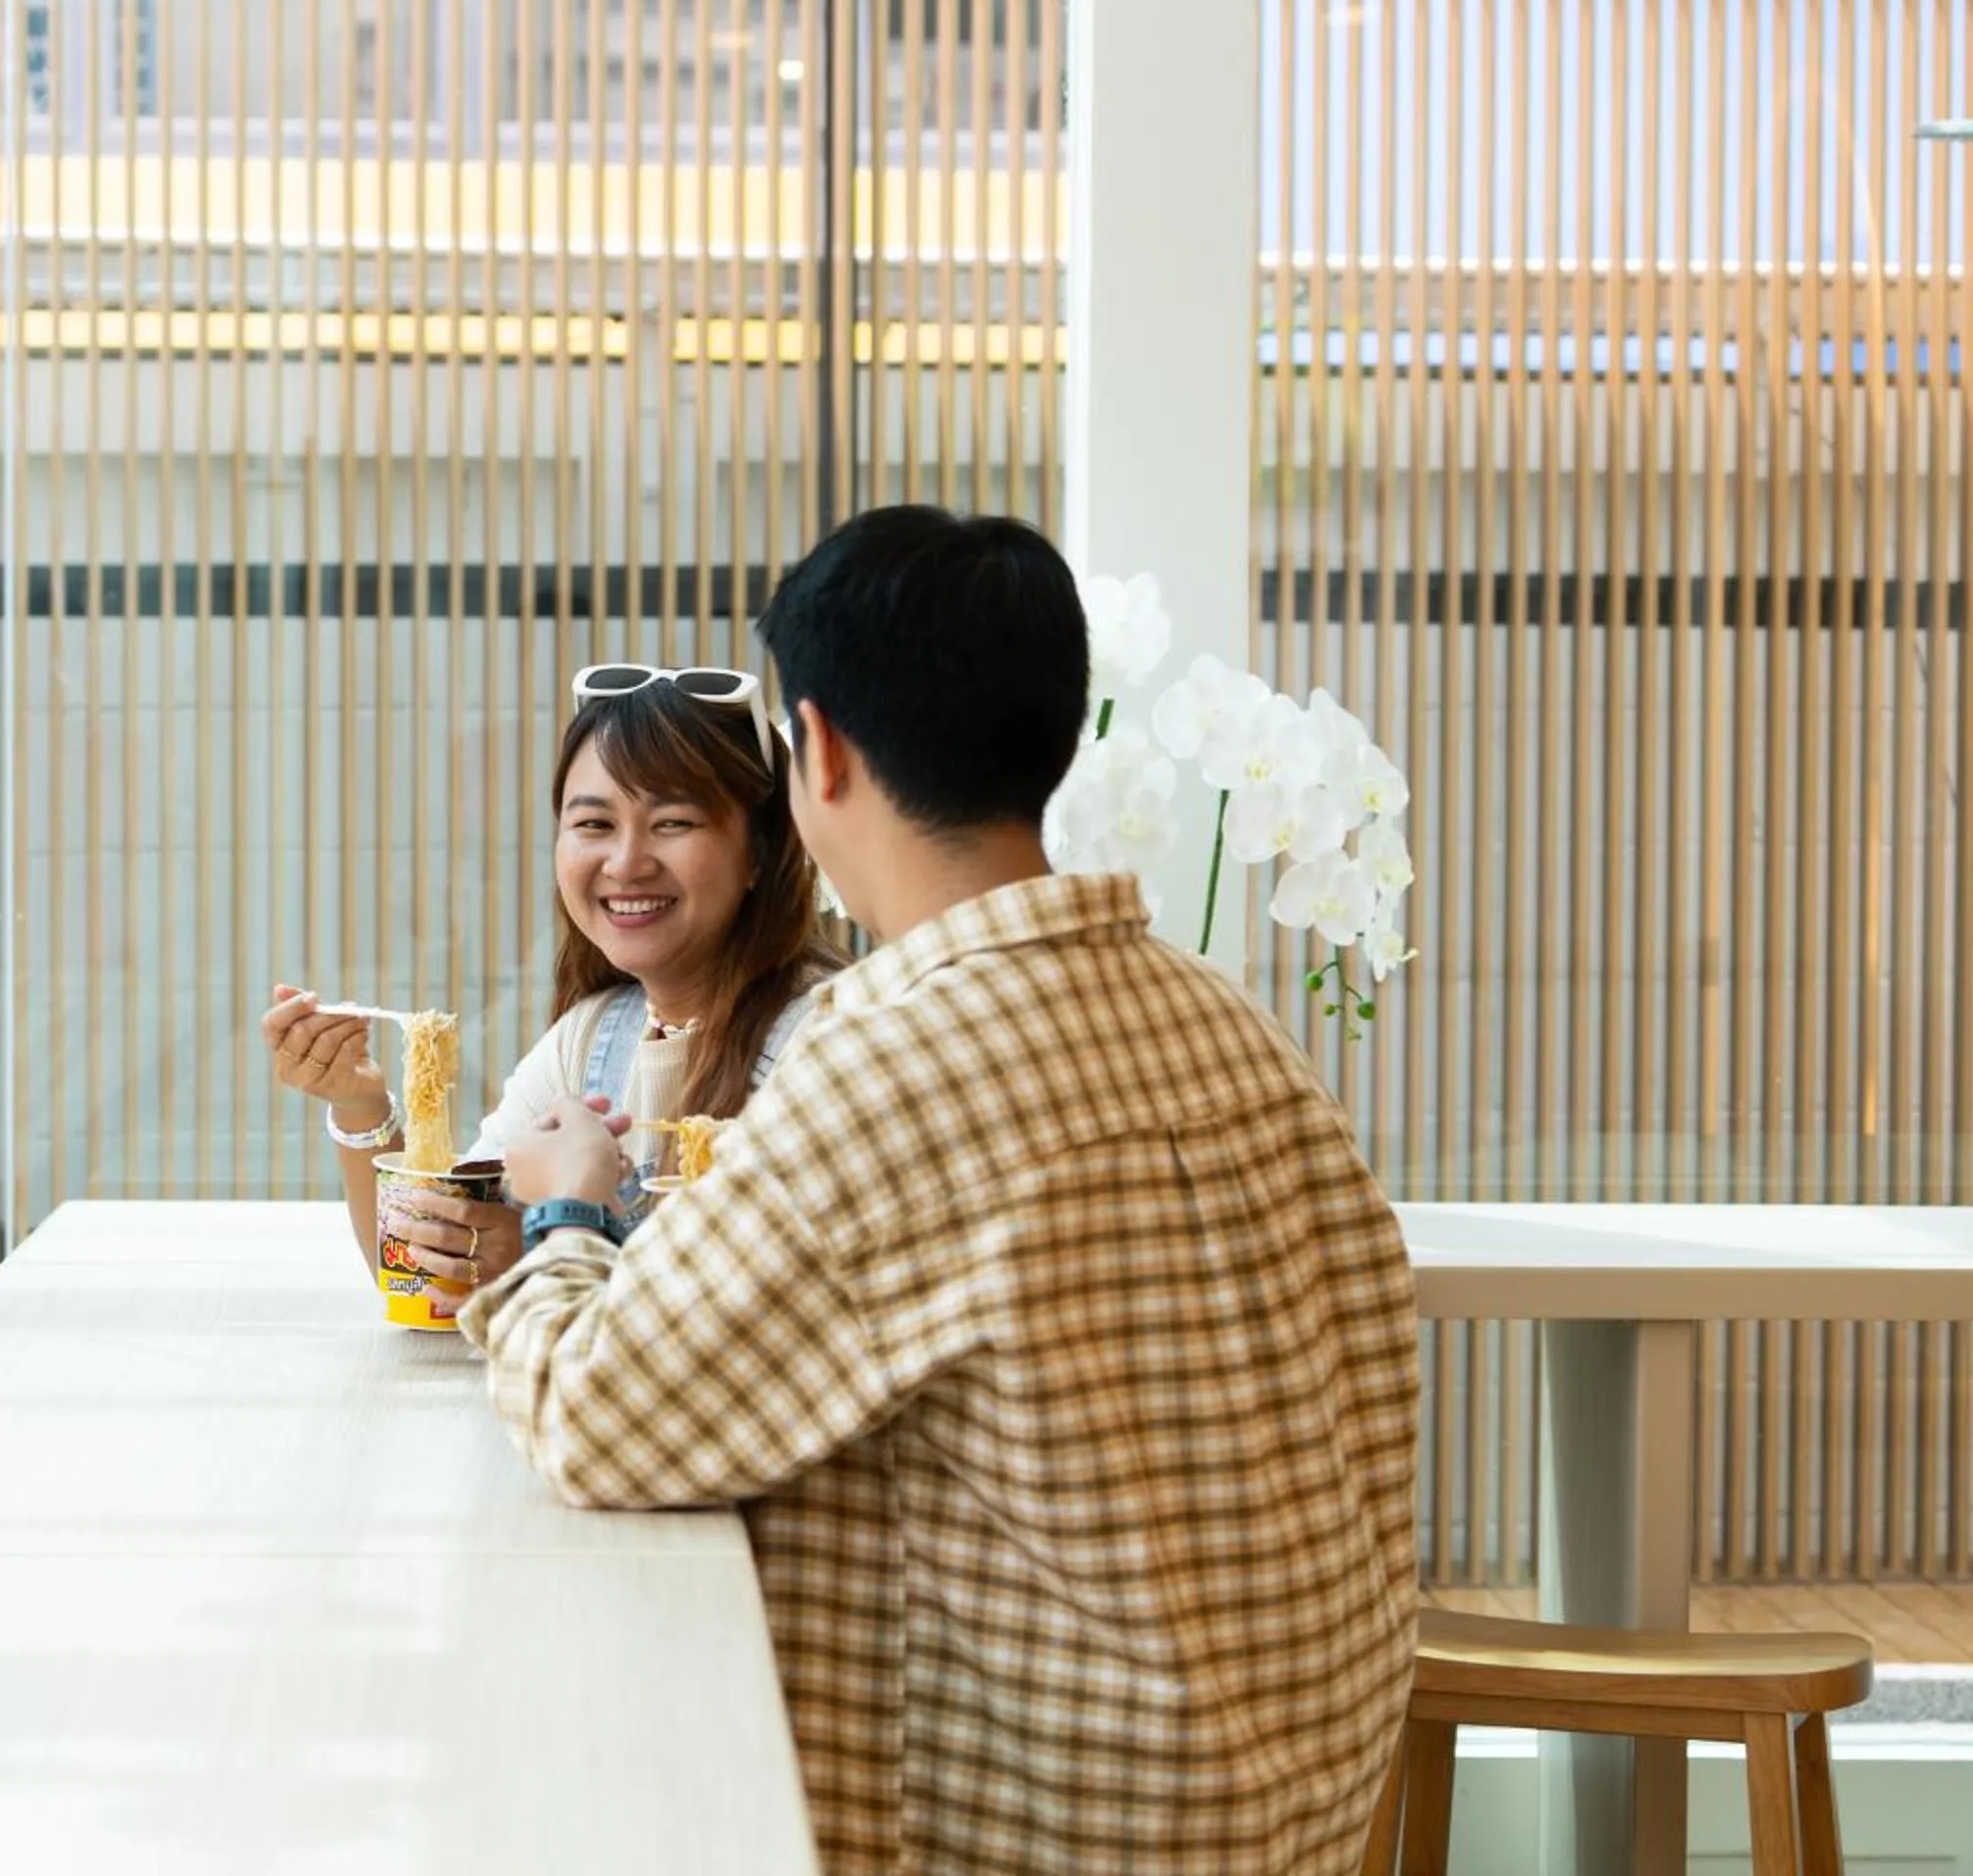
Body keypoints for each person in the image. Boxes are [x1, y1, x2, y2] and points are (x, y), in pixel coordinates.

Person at [475, 509, 1419, 1874]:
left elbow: (592, 1414)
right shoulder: (1229, 1028)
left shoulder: (889, 1061)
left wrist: (564, 1211)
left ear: (821, 755)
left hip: (1047, 1830)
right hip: (1295, 1820)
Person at [261, 667, 843, 1309]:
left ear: (760, 851)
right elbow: (428, 1277)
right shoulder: (594, 1035)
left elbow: (763, 1325)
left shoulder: (826, 1044)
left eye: (674, 823)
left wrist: (541, 1248)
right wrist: (359, 1107)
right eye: (594, 825)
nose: (625, 863)